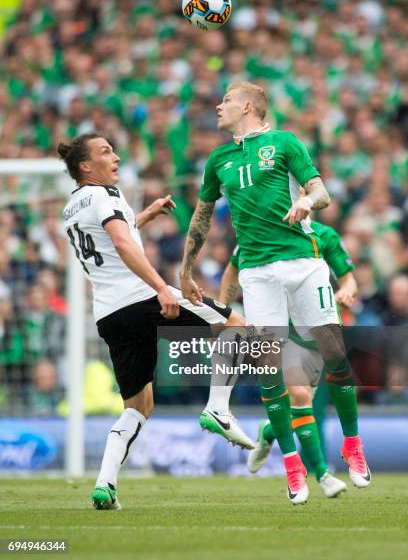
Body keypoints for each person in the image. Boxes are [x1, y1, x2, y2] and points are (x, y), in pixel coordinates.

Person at [180, 81, 371, 504]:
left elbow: (320, 189)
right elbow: (202, 214)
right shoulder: (218, 160)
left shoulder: (284, 143)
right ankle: (292, 466)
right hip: (258, 273)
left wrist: (308, 203)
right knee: (270, 371)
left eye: (226, 100)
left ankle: (352, 446)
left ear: (248, 106)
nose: (218, 105)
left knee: (335, 354)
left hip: (303, 265)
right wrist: (186, 266)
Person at [58, 133, 245, 510]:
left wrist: (143, 215)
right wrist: (161, 287)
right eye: (105, 152)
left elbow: (113, 240)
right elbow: (123, 244)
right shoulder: (105, 195)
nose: (116, 156)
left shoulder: (72, 208)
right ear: (85, 166)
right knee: (236, 325)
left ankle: (105, 484)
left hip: (110, 315)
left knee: (138, 406)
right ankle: (218, 408)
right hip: (142, 299)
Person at [213, 216, 357, 498]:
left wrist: (347, 291)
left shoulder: (324, 235)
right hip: (284, 336)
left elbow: (349, 279)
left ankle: (268, 433)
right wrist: (224, 311)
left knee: (299, 408)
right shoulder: (258, 234)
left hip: (319, 338)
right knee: (301, 397)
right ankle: (322, 475)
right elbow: (232, 270)